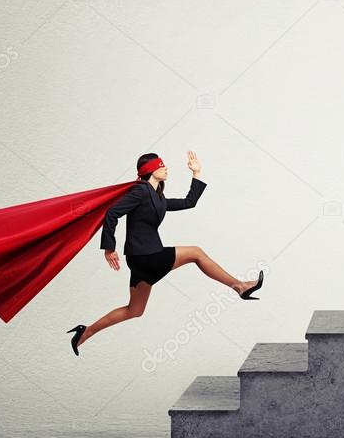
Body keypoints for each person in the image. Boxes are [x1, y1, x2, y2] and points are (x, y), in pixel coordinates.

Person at [66, 150, 263, 355]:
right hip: (146, 256)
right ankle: (240, 286)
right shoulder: (140, 191)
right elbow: (113, 213)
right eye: (161, 165)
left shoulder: (158, 197)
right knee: (196, 253)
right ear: (150, 170)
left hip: (142, 259)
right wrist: (109, 248)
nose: (166, 168)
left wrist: (196, 173)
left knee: (134, 310)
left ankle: (85, 332)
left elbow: (189, 202)